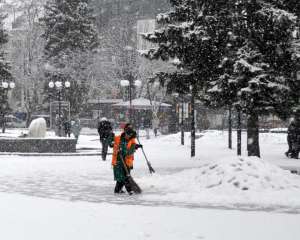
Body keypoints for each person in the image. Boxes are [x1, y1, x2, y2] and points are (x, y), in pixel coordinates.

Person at [111, 123, 142, 194]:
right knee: (122, 177)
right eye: (127, 134)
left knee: (124, 177)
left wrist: (135, 147)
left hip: (127, 161)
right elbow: (112, 142)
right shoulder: (119, 138)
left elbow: (130, 151)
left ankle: (117, 190)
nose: (128, 136)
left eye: (129, 135)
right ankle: (129, 190)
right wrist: (111, 139)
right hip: (118, 161)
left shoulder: (132, 140)